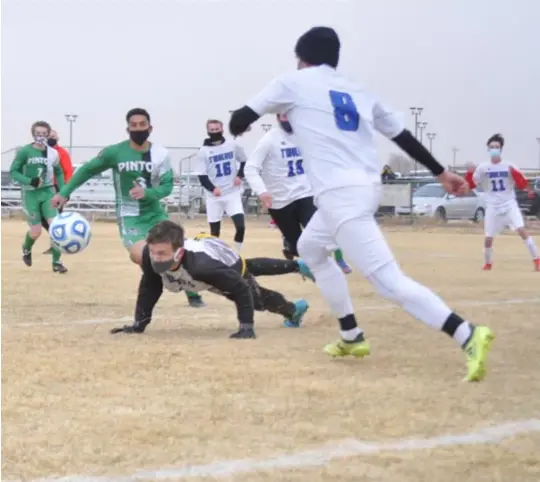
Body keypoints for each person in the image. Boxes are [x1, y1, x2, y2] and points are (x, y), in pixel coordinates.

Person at [228, 26, 493, 382]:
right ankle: (350, 334)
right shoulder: (357, 89)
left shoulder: (293, 81)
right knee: (310, 247)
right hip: (363, 188)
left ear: (300, 58)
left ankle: (466, 334)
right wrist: (441, 172)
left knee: (388, 281)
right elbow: (402, 136)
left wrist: (239, 125)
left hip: (340, 196)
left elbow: (239, 119)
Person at [51, 108, 205, 307]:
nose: (138, 128)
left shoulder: (160, 154)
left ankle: (191, 292)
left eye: (142, 125)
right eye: (134, 125)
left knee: (176, 251)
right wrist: (64, 192)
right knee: (143, 256)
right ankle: (160, 286)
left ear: (150, 127)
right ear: (127, 129)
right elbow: (87, 170)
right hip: (130, 215)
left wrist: (147, 193)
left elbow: (167, 186)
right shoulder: (115, 152)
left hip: (155, 213)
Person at [110, 221, 312, 337]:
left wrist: (246, 327)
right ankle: (297, 266)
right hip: (204, 249)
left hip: (221, 259)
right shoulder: (150, 256)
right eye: (153, 252)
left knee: (255, 296)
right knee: (248, 266)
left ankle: (293, 311)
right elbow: (150, 287)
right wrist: (139, 324)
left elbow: (240, 288)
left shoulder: (203, 268)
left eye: (162, 253)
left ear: (179, 253)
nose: (155, 258)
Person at [245, 114, 352, 273]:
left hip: (304, 193)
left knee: (318, 233)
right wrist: (262, 192)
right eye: (284, 116)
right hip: (279, 200)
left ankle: (333, 264)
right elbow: (250, 168)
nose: (288, 119)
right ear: (278, 118)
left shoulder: (305, 136)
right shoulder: (269, 140)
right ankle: (290, 245)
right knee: (299, 246)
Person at [465, 133, 539, 271]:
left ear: (501, 149)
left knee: (521, 230)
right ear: (488, 149)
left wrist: (528, 190)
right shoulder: (482, 167)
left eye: (497, 147)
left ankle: (536, 259)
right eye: (492, 147)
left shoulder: (509, 165)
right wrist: (470, 172)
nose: (494, 149)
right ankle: (488, 263)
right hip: (492, 206)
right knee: (488, 238)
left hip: (509, 204)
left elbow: (521, 181)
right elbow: (471, 184)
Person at [10, 121, 67, 273]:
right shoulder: (25, 151)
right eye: (37, 134)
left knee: (55, 228)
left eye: (43, 134)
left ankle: (57, 262)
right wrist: (30, 181)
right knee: (36, 231)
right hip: (30, 193)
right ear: (33, 134)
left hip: (48, 192)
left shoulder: (53, 153)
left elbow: (59, 172)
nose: (40, 137)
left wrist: (62, 191)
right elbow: (13, 171)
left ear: (48, 135)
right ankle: (26, 249)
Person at [195, 119, 247, 252]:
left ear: (222, 130)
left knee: (240, 227)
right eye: (211, 130)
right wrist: (213, 188)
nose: (214, 132)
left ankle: (237, 253)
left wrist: (239, 175)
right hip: (214, 196)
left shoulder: (232, 145)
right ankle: (215, 255)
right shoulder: (203, 151)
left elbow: (244, 161)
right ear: (207, 131)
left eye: (217, 129)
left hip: (232, 193)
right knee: (214, 233)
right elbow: (202, 175)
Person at [41, 129, 74, 256]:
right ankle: (57, 240)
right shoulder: (41, 153)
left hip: (58, 188)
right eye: (49, 136)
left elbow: (68, 171)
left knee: (55, 218)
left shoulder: (62, 153)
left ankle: (57, 244)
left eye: (54, 136)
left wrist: (66, 190)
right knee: (44, 218)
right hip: (44, 187)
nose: (51, 138)